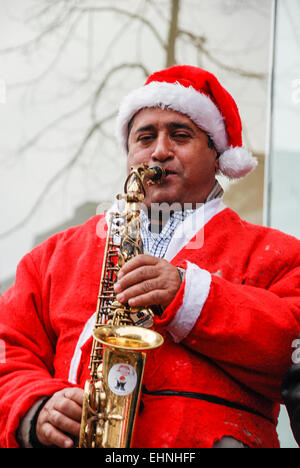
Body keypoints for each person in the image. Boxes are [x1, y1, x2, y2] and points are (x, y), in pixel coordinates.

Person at [0, 65, 300, 449]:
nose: (160, 151)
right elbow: (9, 349)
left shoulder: (277, 254)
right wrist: (36, 408)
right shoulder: (51, 257)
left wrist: (194, 295)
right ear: (129, 154)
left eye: (180, 135)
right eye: (145, 137)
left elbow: (291, 353)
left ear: (217, 155)